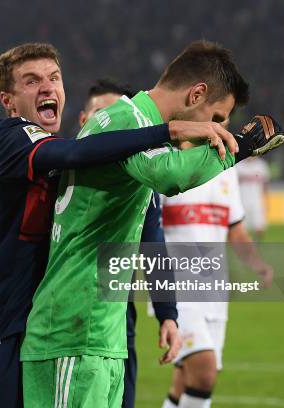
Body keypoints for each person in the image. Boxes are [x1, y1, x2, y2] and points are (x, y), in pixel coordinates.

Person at [0, 42, 241, 408]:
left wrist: (167, 311)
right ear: (7, 100)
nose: (48, 88)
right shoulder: (16, 138)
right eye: (32, 81)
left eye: (54, 78)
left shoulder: (63, 151)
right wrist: (168, 131)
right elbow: (76, 153)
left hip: (47, 323)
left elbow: (150, 227)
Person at [20, 40, 284, 407]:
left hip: (100, 331)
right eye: (219, 119)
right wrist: (241, 146)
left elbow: (150, 231)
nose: (218, 132)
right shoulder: (127, 120)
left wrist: (166, 313)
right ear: (196, 95)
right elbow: (171, 178)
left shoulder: (141, 126)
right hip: (72, 327)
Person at [159, 120, 274, 408]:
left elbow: (235, 229)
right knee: (204, 372)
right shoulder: (168, 164)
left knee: (186, 380)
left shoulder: (226, 172)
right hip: (179, 289)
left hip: (214, 291)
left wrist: (258, 264)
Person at [79, 78, 177, 408]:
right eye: (104, 114)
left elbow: (154, 247)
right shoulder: (60, 169)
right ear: (84, 121)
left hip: (119, 316)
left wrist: (167, 313)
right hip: (66, 319)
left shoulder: (141, 184)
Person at [236, 156, 271, 241]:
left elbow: (265, 184)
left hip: (257, 200)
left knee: (259, 226)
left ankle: (258, 243)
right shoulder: (238, 165)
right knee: (241, 227)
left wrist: (267, 200)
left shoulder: (261, 165)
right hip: (242, 200)